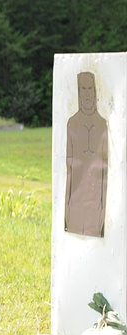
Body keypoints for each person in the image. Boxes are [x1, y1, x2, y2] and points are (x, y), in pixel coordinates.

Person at [65, 70, 108, 237]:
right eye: (83, 89)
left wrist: (103, 209)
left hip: (95, 201)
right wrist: (67, 207)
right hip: (76, 204)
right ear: (79, 92)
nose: (87, 94)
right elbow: (69, 168)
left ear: (95, 91)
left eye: (90, 88)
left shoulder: (102, 124)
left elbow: (105, 173)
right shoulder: (72, 123)